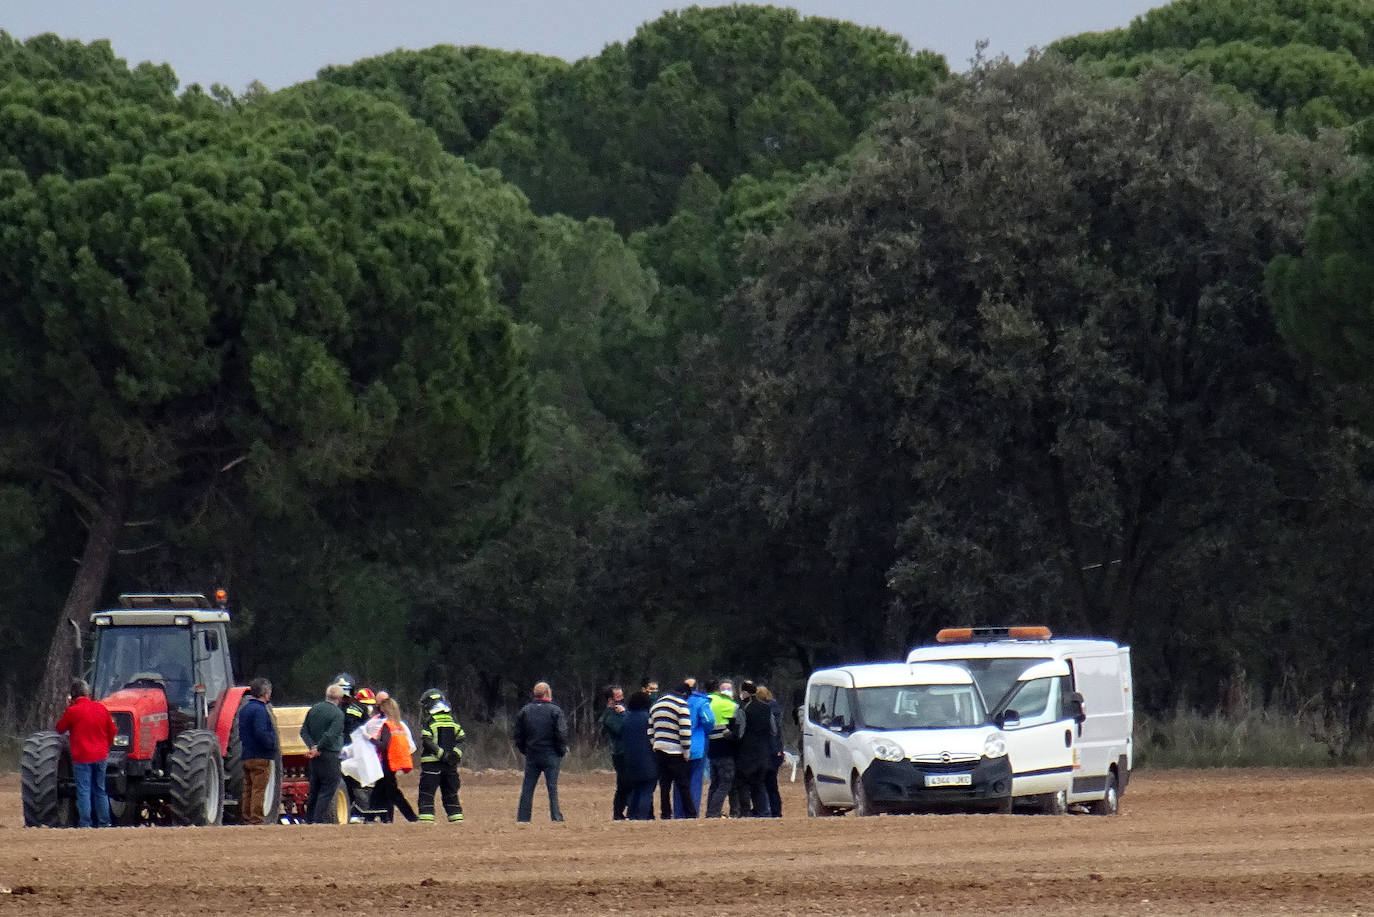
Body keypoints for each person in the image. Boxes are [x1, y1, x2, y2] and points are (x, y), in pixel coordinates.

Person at [56, 678, 116, 828]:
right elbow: (113, 731)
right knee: (100, 790)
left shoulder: (72, 711)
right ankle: (105, 822)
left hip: (82, 757)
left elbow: (60, 728)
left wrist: (68, 707)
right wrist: (105, 747)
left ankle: (85, 823)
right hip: (101, 756)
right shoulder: (101, 708)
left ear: (73, 696)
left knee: (84, 790)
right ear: (87, 693)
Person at [512, 681, 569, 822]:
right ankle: (556, 817)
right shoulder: (555, 711)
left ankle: (523, 818)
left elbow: (518, 735)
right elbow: (561, 733)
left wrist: (525, 750)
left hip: (532, 754)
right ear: (548, 693)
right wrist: (560, 751)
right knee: (552, 788)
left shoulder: (525, 711)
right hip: (551, 754)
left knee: (527, 788)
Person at [416, 688, 466, 824]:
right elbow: (461, 740)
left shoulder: (430, 721)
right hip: (450, 767)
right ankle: (457, 823)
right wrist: (454, 755)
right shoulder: (453, 721)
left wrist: (441, 754)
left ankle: (426, 826)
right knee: (451, 796)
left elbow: (427, 740)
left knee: (426, 795)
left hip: (431, 766)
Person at [300, 682, 346, 824]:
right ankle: (317, 820)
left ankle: (309, 819)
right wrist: (319, 748)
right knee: (328, 789)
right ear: (339, 698)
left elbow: (303, 731)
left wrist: (313, 747)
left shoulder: (314, 709)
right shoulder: (338, 714)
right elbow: (331, 735)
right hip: (329, 755)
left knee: (315, 788)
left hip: (315, 757)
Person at [648, 682, 695, 818]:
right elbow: (685, 731)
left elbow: (650, 730)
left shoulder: (656, 705)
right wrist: (686, 752)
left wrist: (656, 744)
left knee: (664, 785)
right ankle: (690, 814)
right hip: (676, 752)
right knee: (683, 785)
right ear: (685, 694)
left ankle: (666, 814)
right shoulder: (681, 705)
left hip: (659, 750)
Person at [370, 695, 418, 823]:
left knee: (392, 793)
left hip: (387, 762)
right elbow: (409, 746)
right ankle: (378, 817)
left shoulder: (387, 725)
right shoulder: (399, 726)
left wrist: (370, 740)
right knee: (381, 791)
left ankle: (411, 818)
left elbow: (384, 745)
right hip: (395, 762)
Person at [237, 677, 277, 825]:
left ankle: (247, 816)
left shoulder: (244, 710)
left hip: (246, 754)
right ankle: (256, 819)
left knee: (248, 788)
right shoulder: (261, 710)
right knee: (259, 789)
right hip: (260, 755)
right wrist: (271, 745)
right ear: (266, 693)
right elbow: (261, 732)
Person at [676, 677, 715, 818]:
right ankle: (691, 814)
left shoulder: (676, 701)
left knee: (680, 782)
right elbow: (709, 720)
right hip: (697, 746)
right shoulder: (701, 702)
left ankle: (678, 814)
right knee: (695, 781)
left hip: (678, 747)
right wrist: (705, 732)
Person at [705, 678, 743, 818]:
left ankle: (711, 811)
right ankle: (713, 813)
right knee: (725, 783)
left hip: (712, 749)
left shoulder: (707, 701)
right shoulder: (729, 704)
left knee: (714, 783)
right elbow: (739, 725)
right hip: (726, 749)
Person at [736, 682, 776, 817]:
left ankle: (746, 812)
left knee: (743, 783)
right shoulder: (767, 708)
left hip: (747, 753)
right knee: (759, 784)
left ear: (745, 692)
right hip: (763, 753)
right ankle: (763, 812)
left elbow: (740, 733)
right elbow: (774, 730)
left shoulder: (742, 708)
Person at [620, 691, 657, 820]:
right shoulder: (648, 718)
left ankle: (632, 815)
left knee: (634, 790)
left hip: (630, 760)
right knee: (646, 791)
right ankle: (642, 818)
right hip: (648, 760)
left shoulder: (626, 719)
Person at [600, 685, 628, 820]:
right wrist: (624, 714)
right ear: (610, 699)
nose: (621, 698)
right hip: (620, 754)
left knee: (627, 783)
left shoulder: (620, 711)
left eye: (621, 695)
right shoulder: (609, 715)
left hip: (626, 752)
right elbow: (622, 730)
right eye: (618, 696)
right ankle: (618, 812)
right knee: (623, 784)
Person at [757, 685, 785, 818]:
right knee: (772, 784)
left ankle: (765, 810)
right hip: (776, 751)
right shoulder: (776, 708)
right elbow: (778, 732)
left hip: (763, 751)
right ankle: (776, 811)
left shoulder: (760, 710)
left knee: (761, 783)